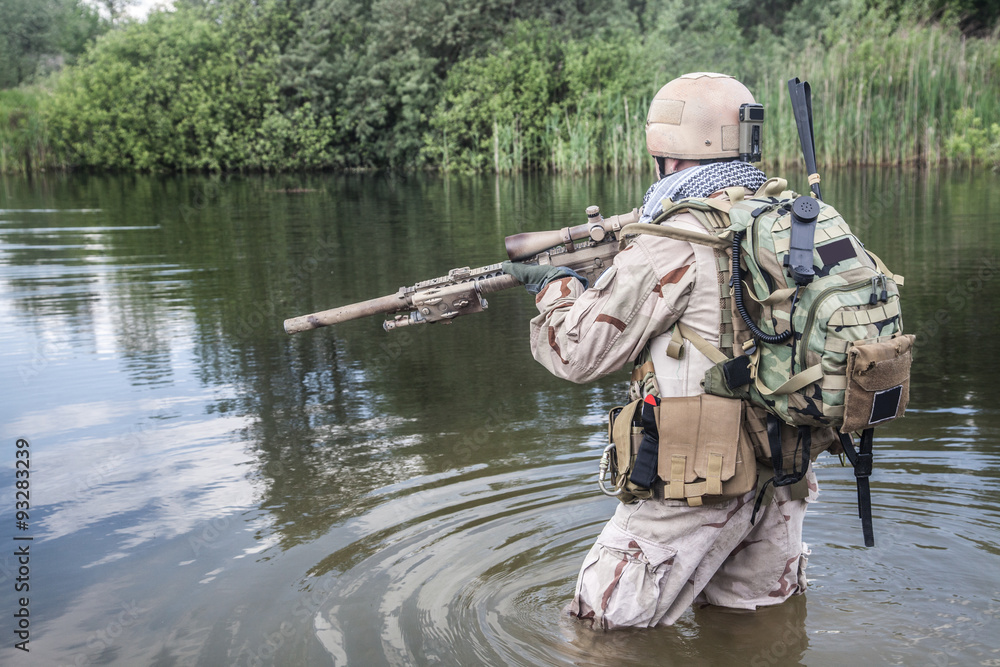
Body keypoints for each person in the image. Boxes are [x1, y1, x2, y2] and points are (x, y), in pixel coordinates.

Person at [503, 72, 835, 629]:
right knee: (757, 634)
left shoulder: (675, 237)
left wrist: (555, 287)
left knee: (597, 632)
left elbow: (577, 351)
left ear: (670, 158)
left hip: (698, 480)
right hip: (785, 470)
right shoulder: (793, 218)